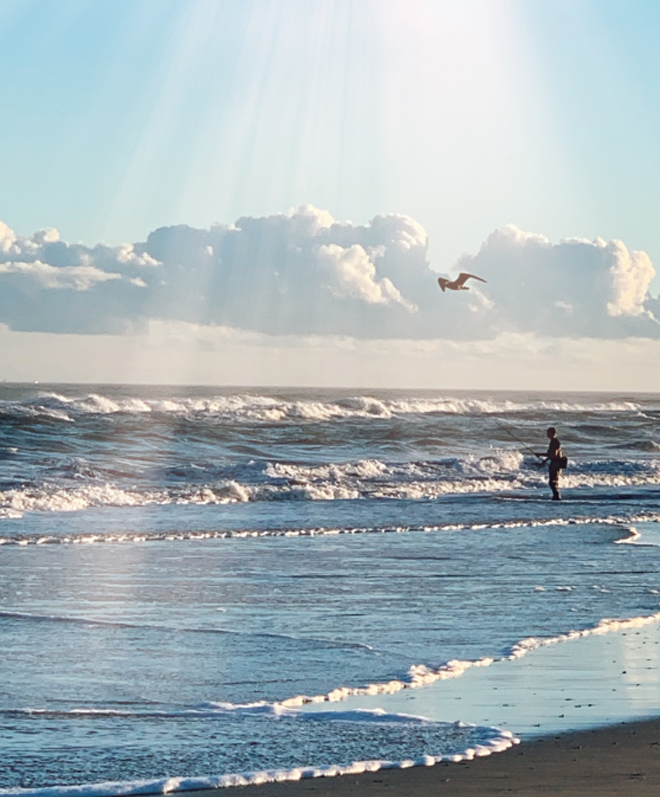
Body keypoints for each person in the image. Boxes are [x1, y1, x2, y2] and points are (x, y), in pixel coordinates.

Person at [536, 426, 563, 501]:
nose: (547, 434)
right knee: (553, 481)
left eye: (548, 432)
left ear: (551, 433)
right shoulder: (554, 441)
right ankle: (556, 496)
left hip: (555, 463)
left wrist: (545, 459)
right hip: (556, 463)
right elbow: (551, 454)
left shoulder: (554, 442)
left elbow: (553, 454)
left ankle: (556, 496)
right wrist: (541, 455)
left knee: (552, 481)